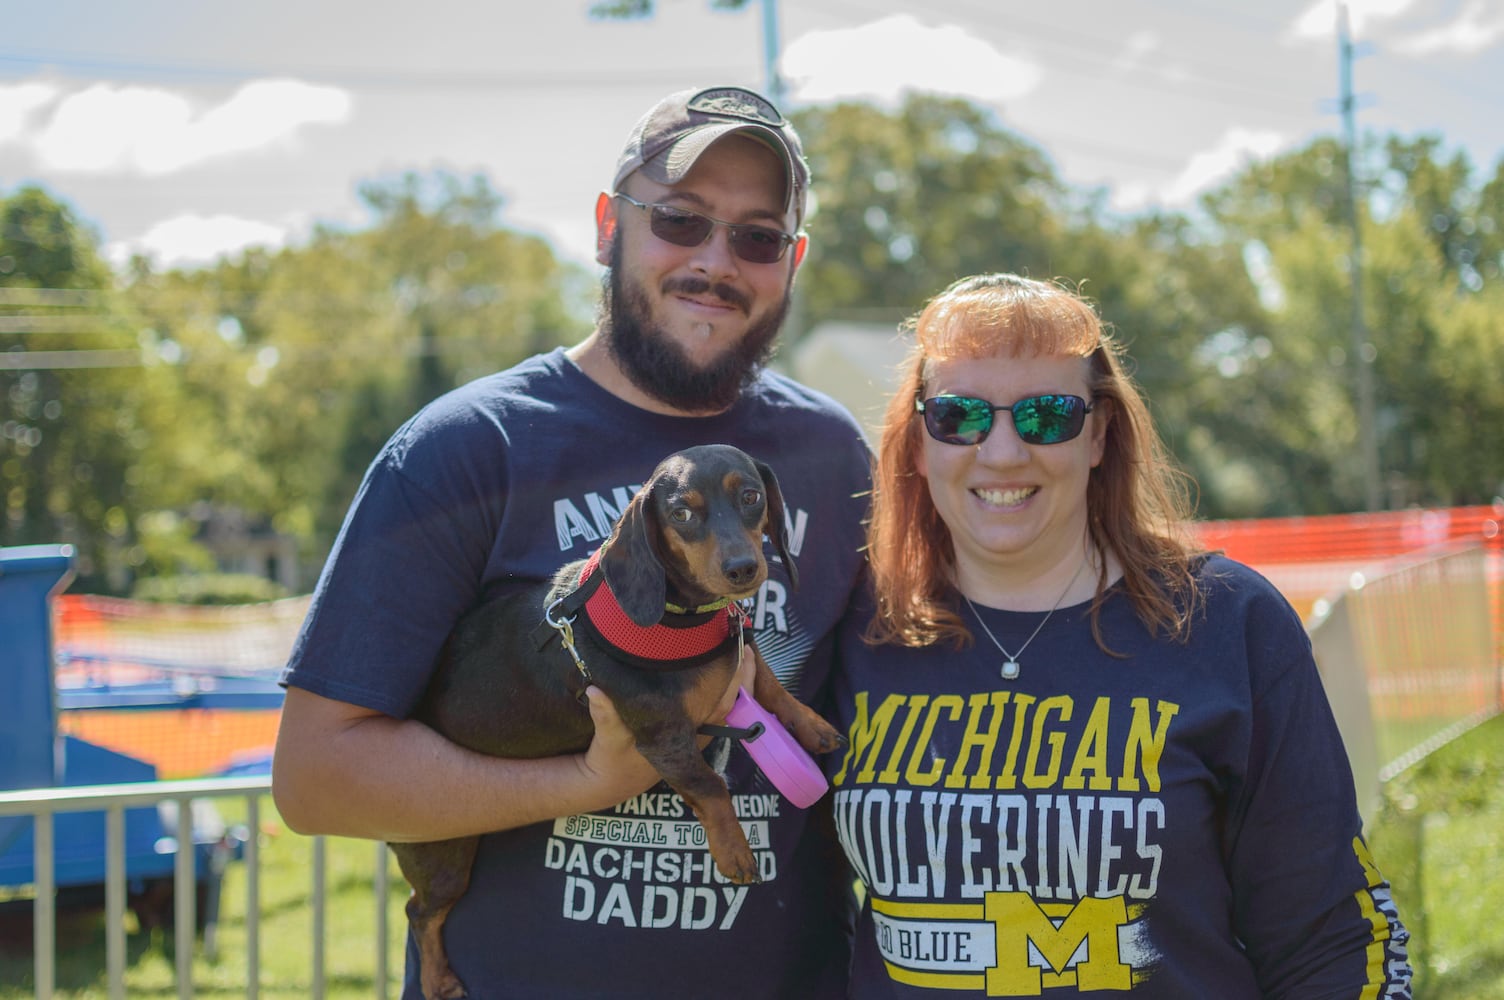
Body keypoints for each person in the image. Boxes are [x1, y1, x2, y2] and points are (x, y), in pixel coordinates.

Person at [271, 85, 871, 998]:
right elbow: (317, 780)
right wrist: (589, 779)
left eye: (757, 237)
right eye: (680, 220)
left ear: (791, 261)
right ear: (607, 227)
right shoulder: (465, 449)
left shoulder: (834, 454)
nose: (716, 261)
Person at [825, 273, 1412, 997]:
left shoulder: (1226, 622)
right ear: (919, 440)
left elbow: (1329, 937)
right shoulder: (853, 627)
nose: (1002, 452)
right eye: (958, 415)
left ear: (1099, 433)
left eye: (1047, 416)